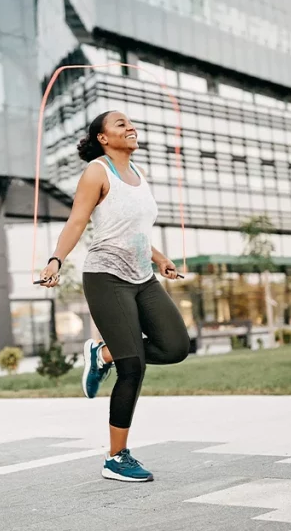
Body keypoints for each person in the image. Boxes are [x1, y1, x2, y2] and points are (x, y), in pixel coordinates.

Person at [39, 110, 190, 483]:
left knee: (175, 347)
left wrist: (160, 259)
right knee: (133, 365)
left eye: (131, 123)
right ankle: (116, 457)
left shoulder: (139, 174)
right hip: (106, 277)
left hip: (143, 276)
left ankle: (102, 353)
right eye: (121, 124)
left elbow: (135, 228)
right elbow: (78, 221)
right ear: (103, 138)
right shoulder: (97, 171)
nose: (130, 127)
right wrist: (56, 259)